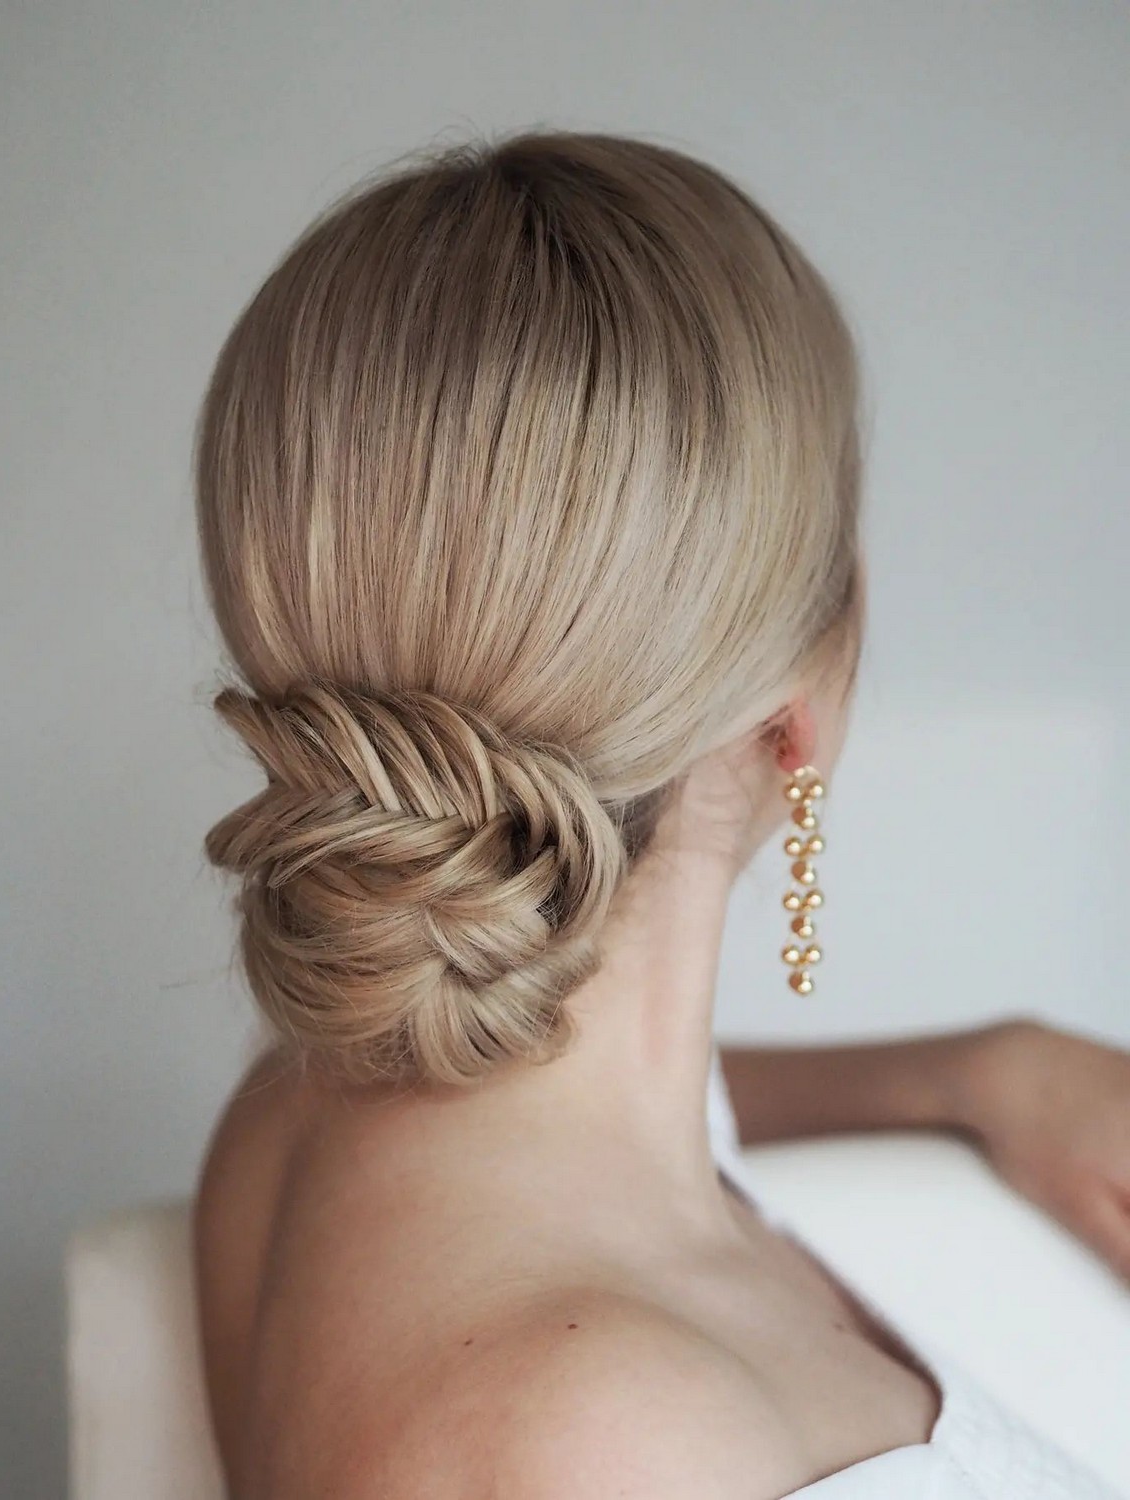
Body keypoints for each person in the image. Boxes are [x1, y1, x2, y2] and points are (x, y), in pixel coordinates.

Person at [190, 130, 1129, 1498]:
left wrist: (978, 1070)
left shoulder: (304, 1110)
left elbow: (642, 1094)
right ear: (795, 713)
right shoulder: (607, 1442)